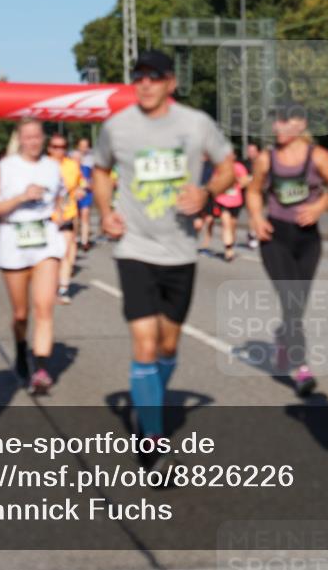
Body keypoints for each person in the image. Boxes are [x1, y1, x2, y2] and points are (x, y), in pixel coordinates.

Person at [92, 50, 234, 469]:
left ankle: (145, 398)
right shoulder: (117, 127)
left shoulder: (196, 123)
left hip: (181, 251)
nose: (146, 84)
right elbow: (100, 170)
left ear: (171, 83)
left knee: (168, 344)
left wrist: (207, 192)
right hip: (134, 247)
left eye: (155, 77)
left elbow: (228, 166)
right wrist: (105, 212)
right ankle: (152, 436)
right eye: (139, 77)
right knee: (145, 341)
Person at [246, 104, 328, 397]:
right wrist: (257, 218)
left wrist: (320, 205)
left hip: (308, 239)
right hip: (276, 237)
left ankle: (284, 337)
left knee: (298, 302)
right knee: (290, 298)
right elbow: (254, 190)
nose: (279, 128)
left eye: (286, 121)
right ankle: (301, 368)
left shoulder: (319, 157)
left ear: (301, 124)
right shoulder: (265, 160)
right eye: (276, 122)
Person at [0, 120, 66, 394]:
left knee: (44, 307)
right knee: (21, 313)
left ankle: (42, 370)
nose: (33, 141)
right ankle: (22, 351)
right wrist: (22, 197)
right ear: (20, 139)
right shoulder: (4, 168)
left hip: (45, 239)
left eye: (37, 136)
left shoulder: (52, 167)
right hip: (14, 239)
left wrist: (60, 219)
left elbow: (61, 199)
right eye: (28, 136)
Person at [47, 133, 83, 303]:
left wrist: (81, 190)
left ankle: (63, 288)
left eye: (62, 147)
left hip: (68, 213)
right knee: (49, 255)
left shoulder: (72, 165)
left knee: (66, 251)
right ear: (49, 148)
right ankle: (48, 284)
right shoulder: (43, 166)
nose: (58, 150)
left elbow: (79, 184)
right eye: (55, 147)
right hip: (46, 217)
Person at [212, 154, 250, 261]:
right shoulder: (220, 167)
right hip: (223, 200)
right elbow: (214, 182)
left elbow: (245, 182)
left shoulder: (239, 167)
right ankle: (228, 251)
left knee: (233, 225)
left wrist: (236, 181)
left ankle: (230, 245)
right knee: (226, 225)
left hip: (236, 201)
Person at [74, 137, 95, 251]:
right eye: (82, 145)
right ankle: (75, 239)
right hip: (75, 190)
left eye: (86, 146)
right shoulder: (73, 157)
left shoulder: (91, 159)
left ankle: (84, 241)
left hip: (87, 191)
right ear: (78, 146)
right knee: (75, 216)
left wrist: (91, 184)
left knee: (85, 215)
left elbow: (95, 176)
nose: (84, 148)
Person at [245, 142, 262, 249]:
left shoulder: (263, 162)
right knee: (252, 214)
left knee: (259, 214)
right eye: (249, 151)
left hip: (262, 193)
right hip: (249, 193)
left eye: (253, 151)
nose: (250, 153)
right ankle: (252, 235)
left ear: (258, 152)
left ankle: (256, 233)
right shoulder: (245, 163)